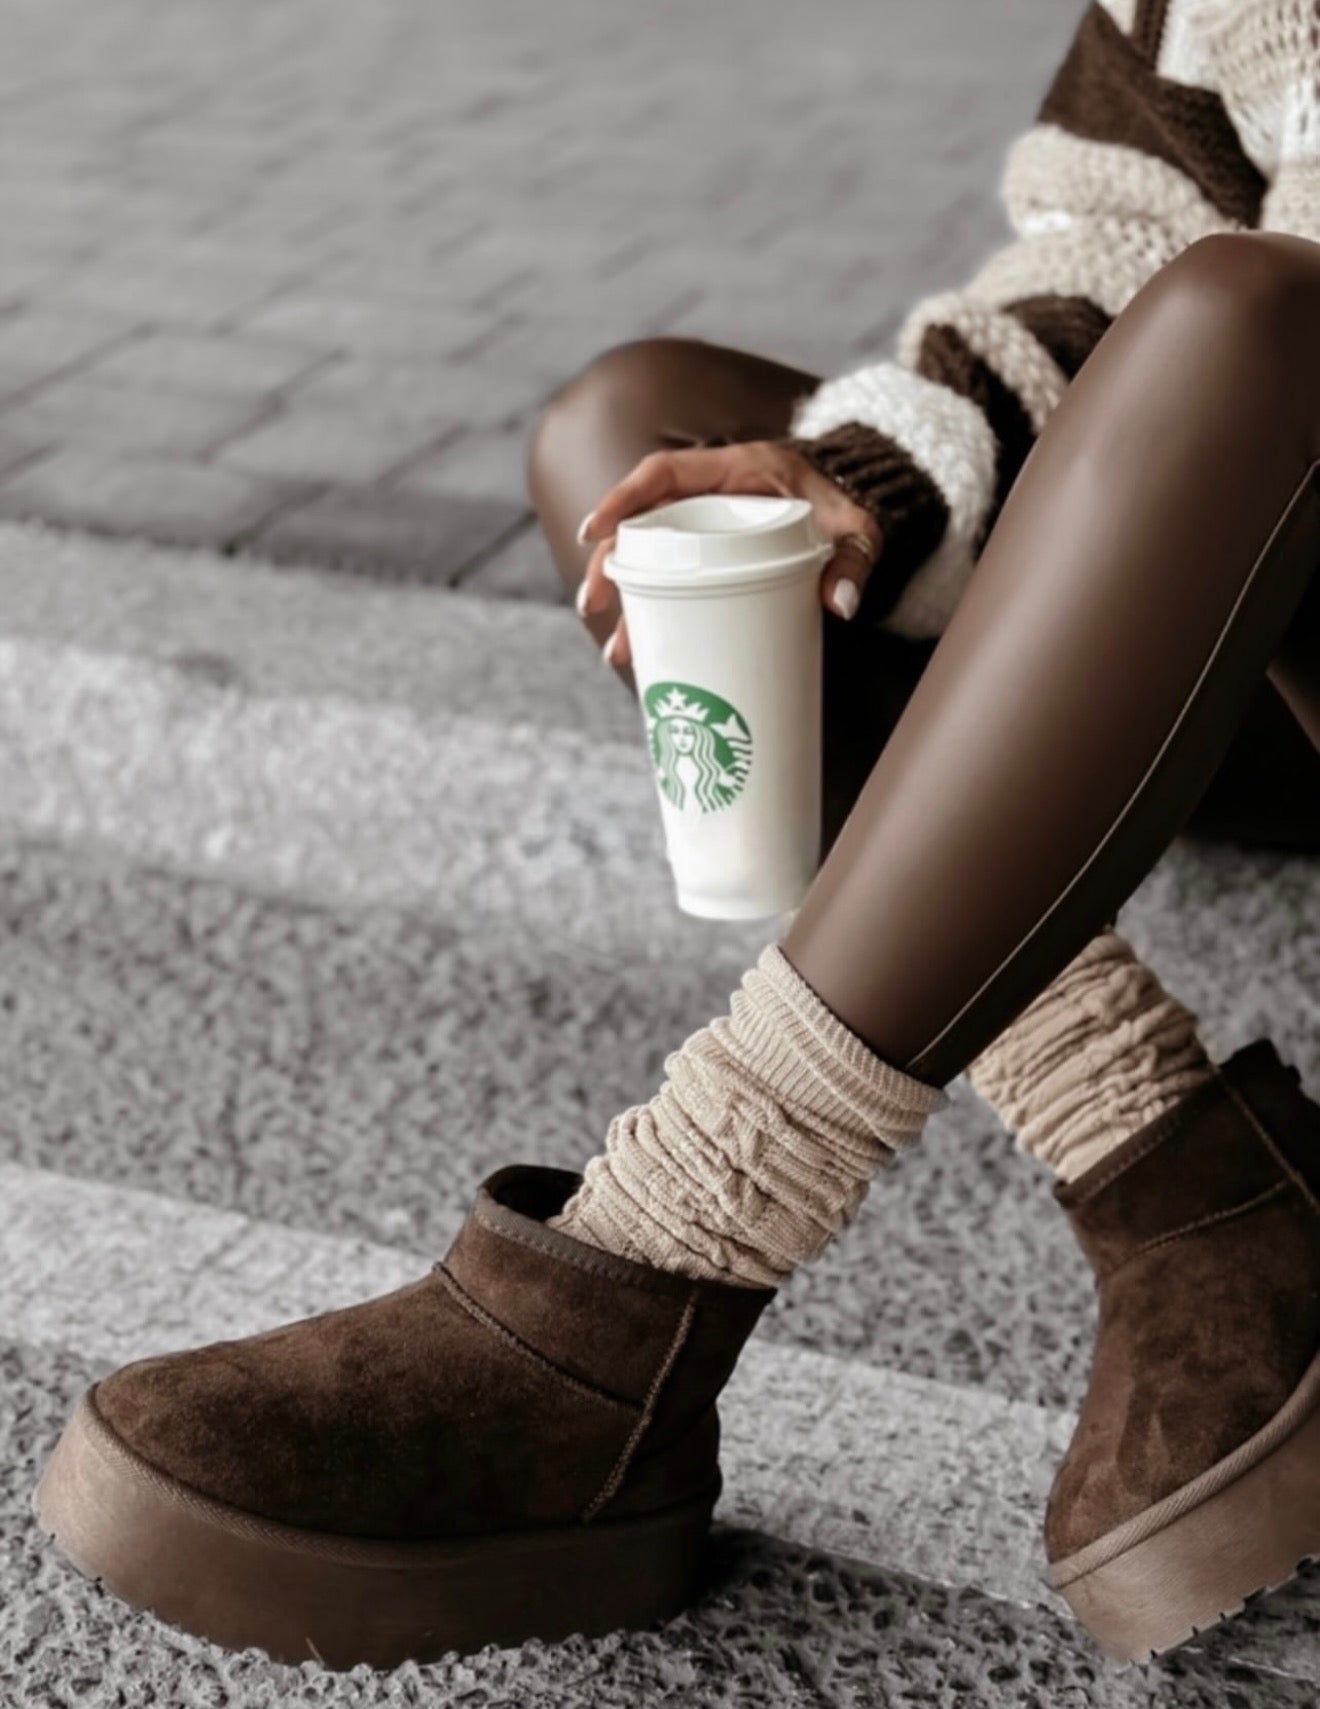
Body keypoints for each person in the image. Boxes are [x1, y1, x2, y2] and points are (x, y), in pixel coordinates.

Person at [32, 0, 1320, 1674]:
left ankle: (642, 1282)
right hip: (1247, 590)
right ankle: (1175, 1161)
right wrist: (857, 479)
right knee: (646, 442)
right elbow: (1118, 245)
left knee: (1257, 319)